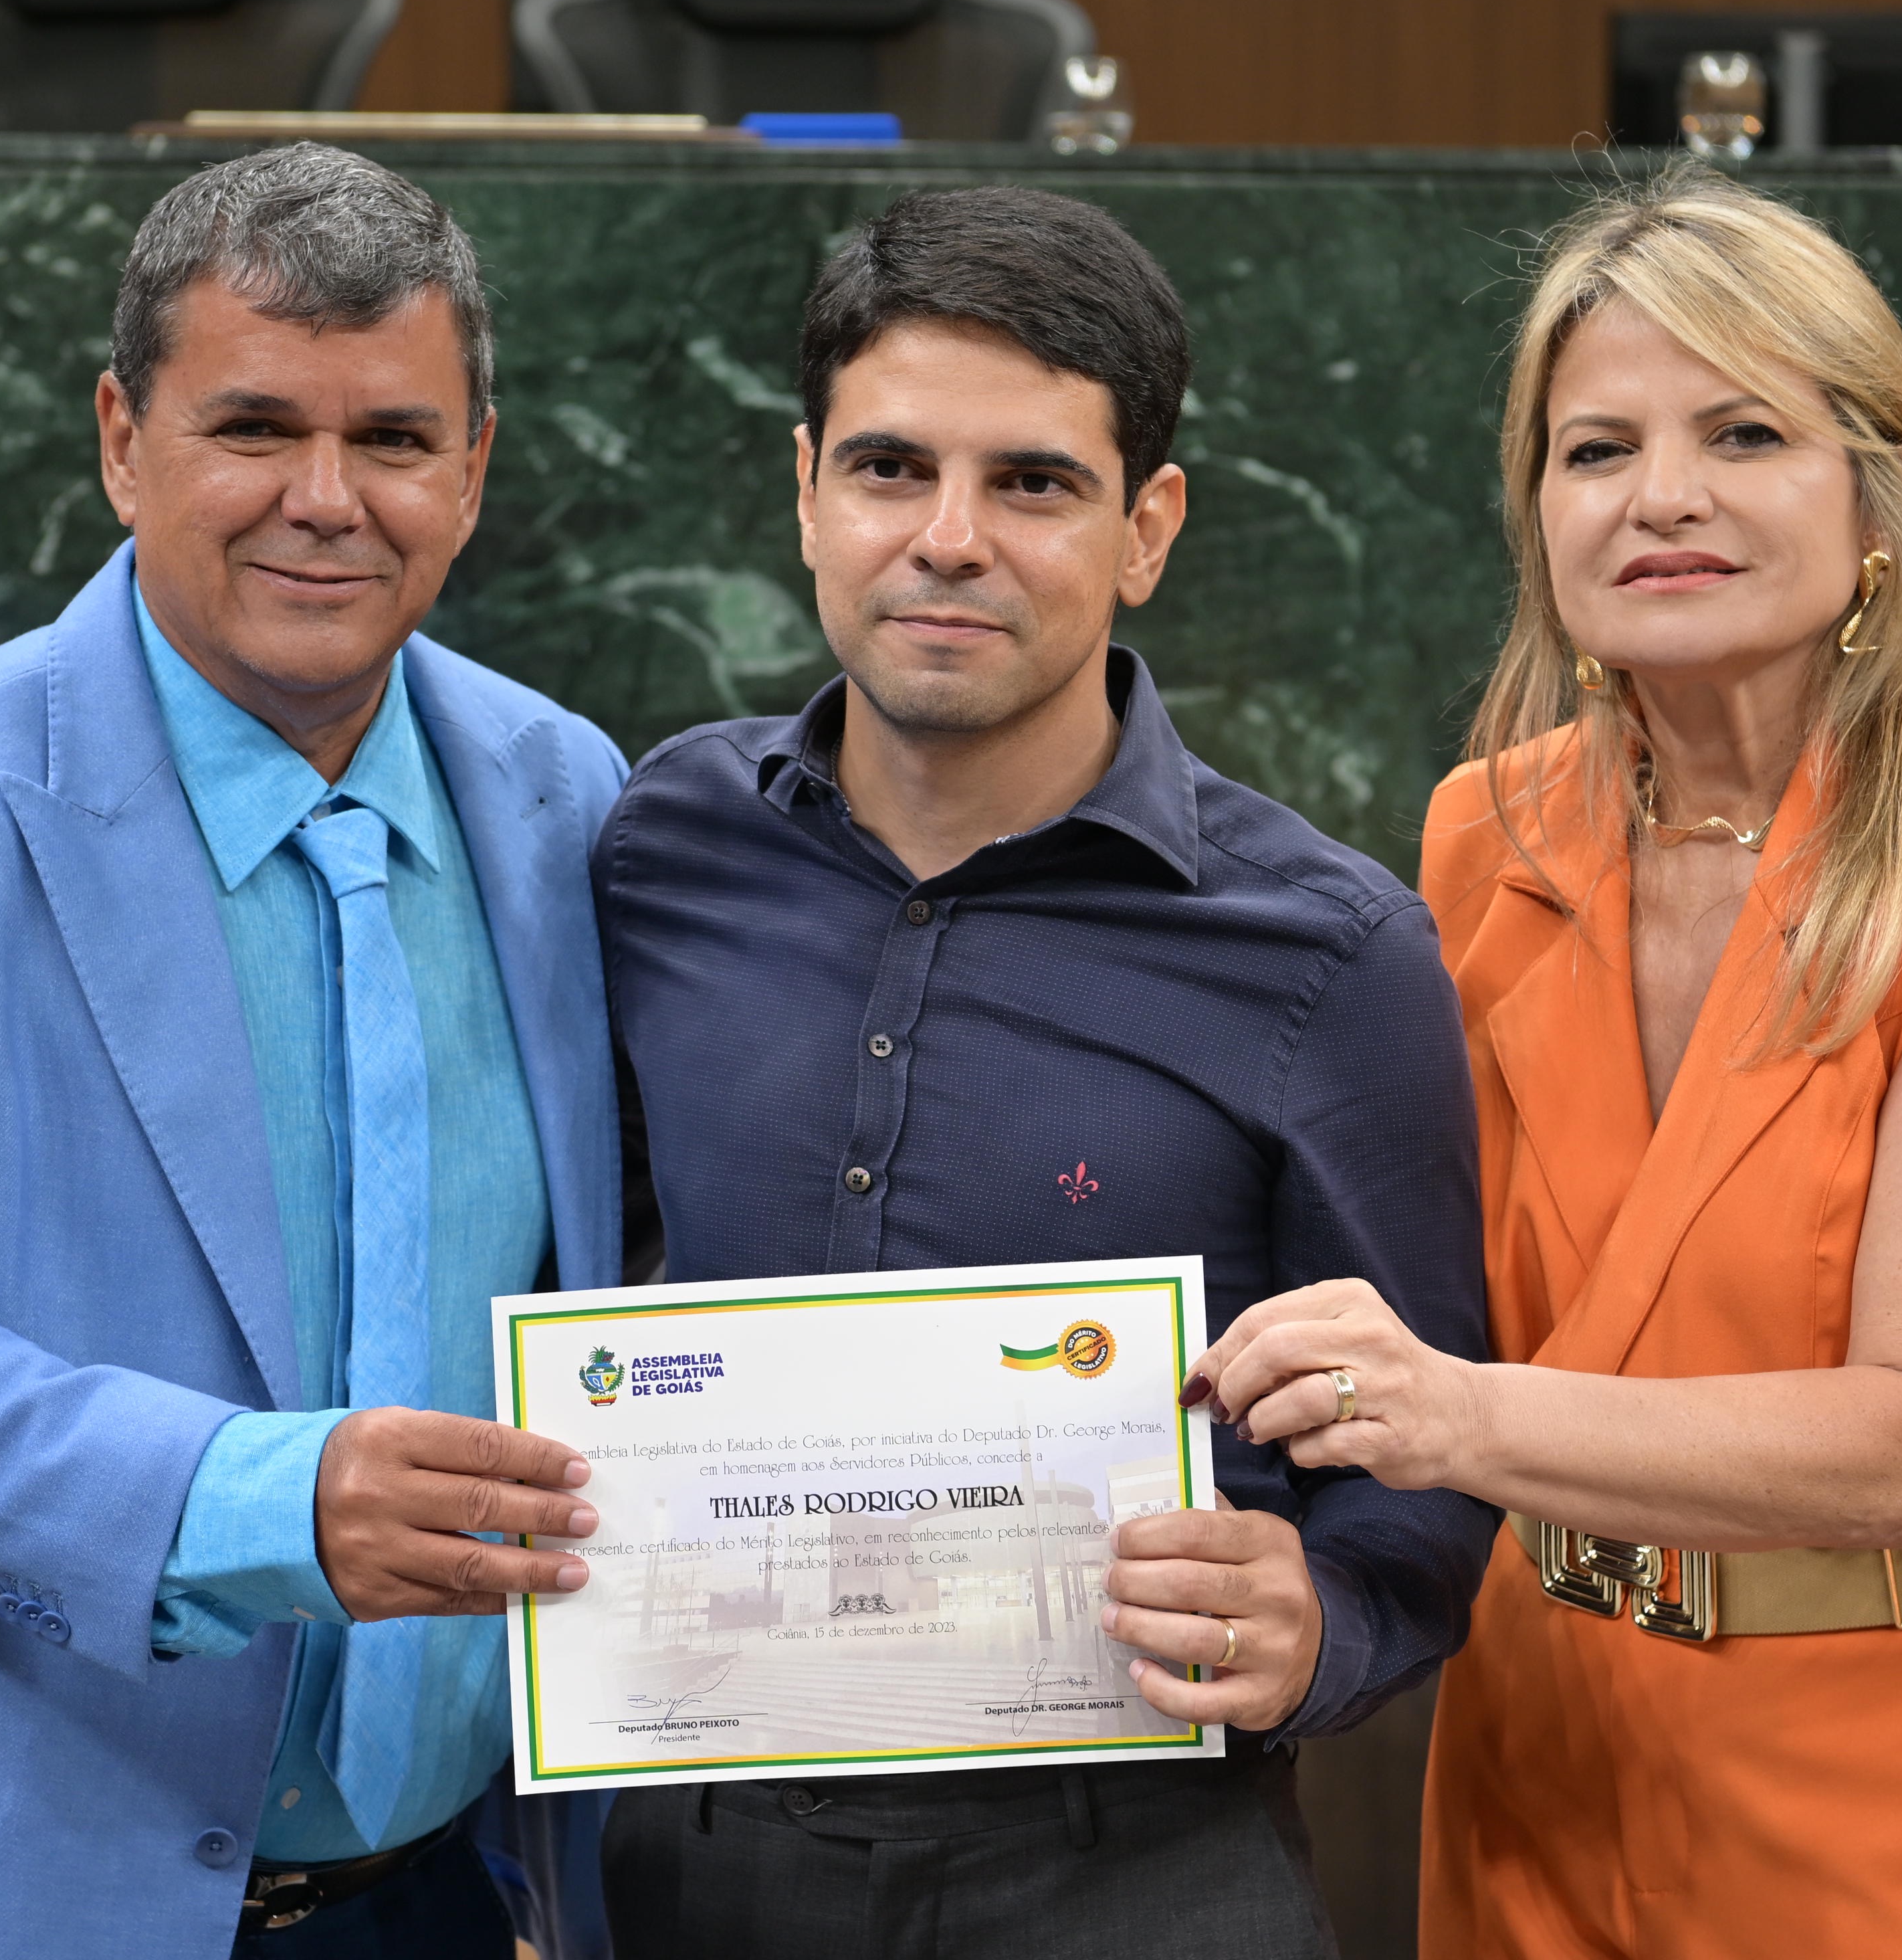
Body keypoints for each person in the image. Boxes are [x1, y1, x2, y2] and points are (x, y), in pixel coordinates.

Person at [0, 145, 626, 1959]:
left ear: (474, 470)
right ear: (121, 440)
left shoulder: (570, 793)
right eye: (254, 428)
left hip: (436, 1894)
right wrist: (264, 1501)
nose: (327, 500)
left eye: (396, 440)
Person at [1188, 165, 1902, 1955]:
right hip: (1538, 1766)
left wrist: (1457, 1417)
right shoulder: (1483, 838)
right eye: (1596, 450)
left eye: (1743, 434)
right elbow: (1406, 1277)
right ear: (1539, 518)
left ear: (1882, 495)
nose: (1662, 496)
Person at [589, 185, 1495, 1958]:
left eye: (1032, 484)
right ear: (805, 490)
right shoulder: (660, 851)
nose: (949, 540)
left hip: (1138, 1865)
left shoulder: (1330, 954)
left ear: (1147, 527)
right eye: (890, 469)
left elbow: (1430, 1463)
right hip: (698, 1848)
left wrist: (1323, 1619)